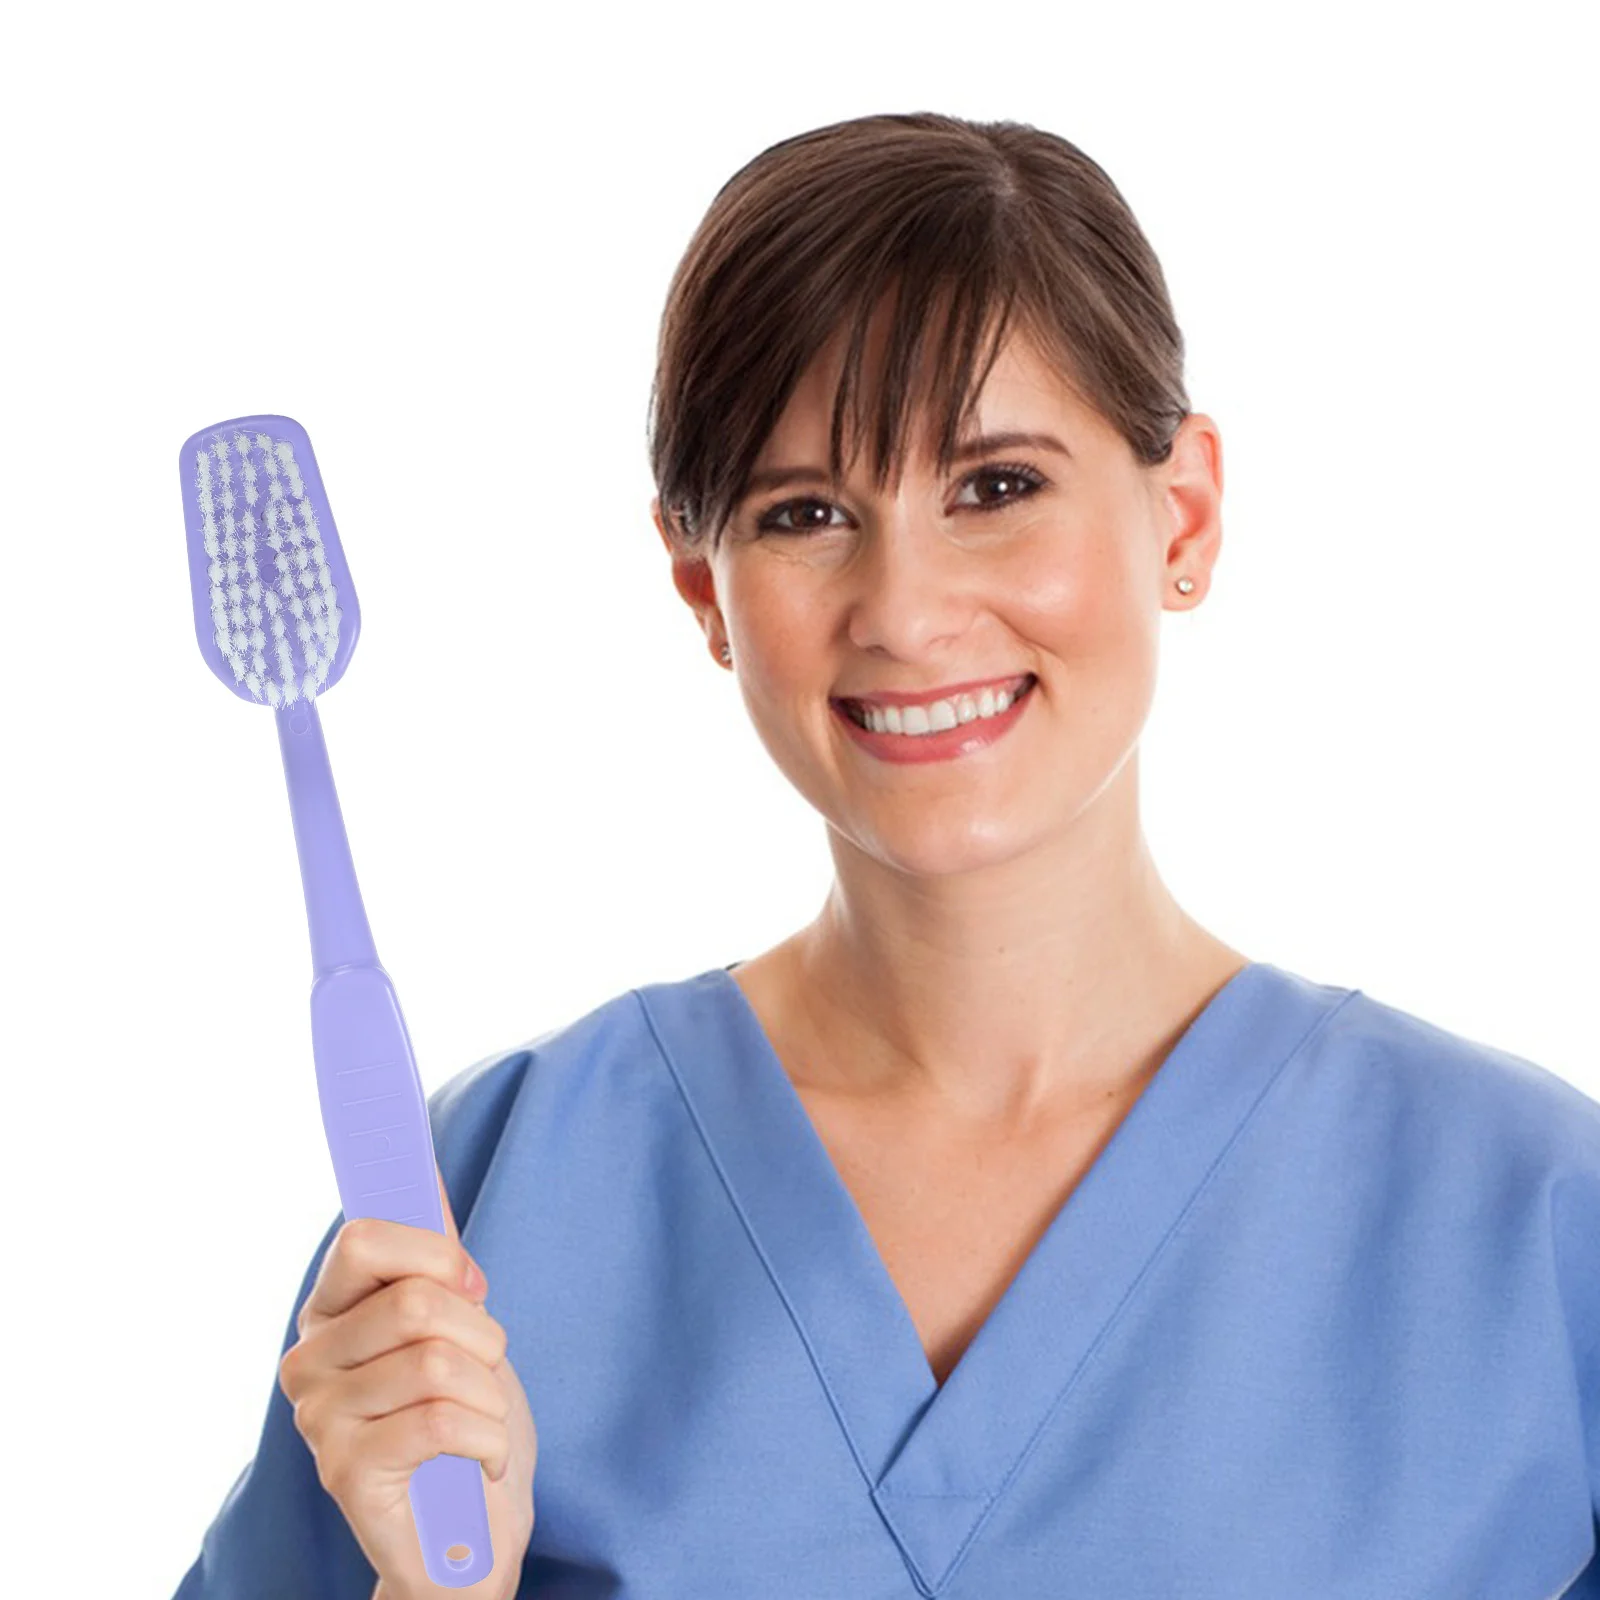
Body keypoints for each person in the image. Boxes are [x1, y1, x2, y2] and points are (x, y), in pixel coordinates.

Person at [173, 111, 1600, 1599]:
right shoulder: (477, 1207)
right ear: (702, 589)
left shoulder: (1533, 1221)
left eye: (995, 486)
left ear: (1182, 513)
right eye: (806, 515)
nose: (906, 612)